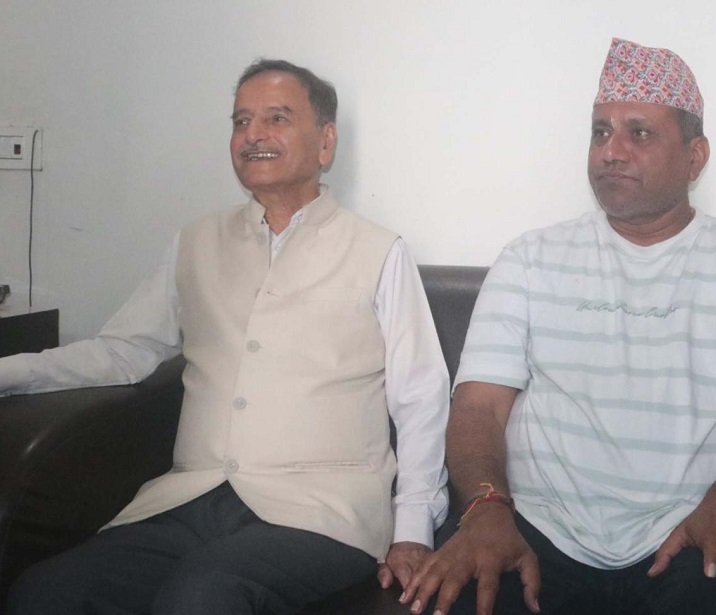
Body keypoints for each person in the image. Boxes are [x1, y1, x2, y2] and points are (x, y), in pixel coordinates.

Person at [0, 59, 451, 615]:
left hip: (322, 510)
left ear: (326, 141)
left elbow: (420, 393)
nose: (253, 134)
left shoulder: (377, 250)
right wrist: (10, 372)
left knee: (203, 595)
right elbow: (124, 351)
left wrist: (413, 530)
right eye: (241, 121)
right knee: (45, 593)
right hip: (187, 500)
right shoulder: (196, 242)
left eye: (277, 118)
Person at [398, 38, 716, 615]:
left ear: (695, 157)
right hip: (535, 530)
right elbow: (478, 409)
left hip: (698, 527)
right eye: (600, 132)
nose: (611, 152)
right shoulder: (531, 259)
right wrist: (486, 509)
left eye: (639, 133)